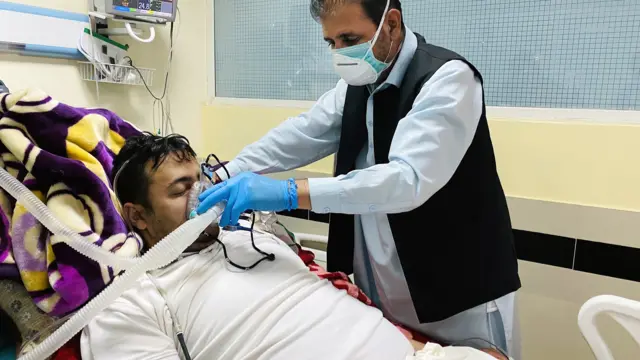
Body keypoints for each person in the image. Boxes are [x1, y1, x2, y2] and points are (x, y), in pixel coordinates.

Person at [196, 0, 521, 357]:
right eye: (331, 42)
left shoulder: (447, 79)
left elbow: (406, 180)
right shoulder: (356, 87)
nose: (340, 53)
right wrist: (225, 172)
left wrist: (289, 192)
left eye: (350, 38)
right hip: (385, 292)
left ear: (392, 24)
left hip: (457, 297)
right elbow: (302, 135)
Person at [80, 134, 416, 360]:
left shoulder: (254, 234)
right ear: (137, 216)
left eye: (204, 181)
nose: (203, 197)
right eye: (181, 190)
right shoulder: (135, 299)